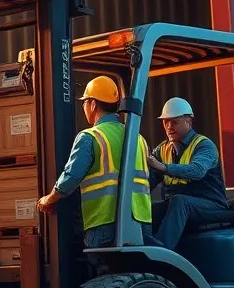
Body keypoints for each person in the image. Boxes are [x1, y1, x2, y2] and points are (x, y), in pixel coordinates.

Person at [36, 75, 152, 248]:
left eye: (84, 103)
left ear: (92, 104)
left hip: (106, 220)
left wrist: (49, 199)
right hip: (141, 221)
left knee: (103, 270)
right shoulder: (139, 138)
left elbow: (71, 177)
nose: (84, 107)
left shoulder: (90, 137)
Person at [146, 97, 229, 249]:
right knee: (148, 209)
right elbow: (148, 182)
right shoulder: (162, 150)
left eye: (175, 122)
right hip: (177, 206)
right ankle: (142, 245)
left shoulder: (204, 146)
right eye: (166, 122)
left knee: (180, 202)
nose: (169, 126)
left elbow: (197, 171)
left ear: (189, 122)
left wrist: (164, 168)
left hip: (211, 205)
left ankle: (161, 251)